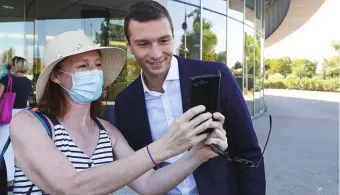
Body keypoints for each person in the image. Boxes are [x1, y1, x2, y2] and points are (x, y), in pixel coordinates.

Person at [9, 30, 228, 195]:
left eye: (97, 65)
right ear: (56, 77)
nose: (94, 72)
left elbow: (149, 184)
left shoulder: (108, 132)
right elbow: (70, 186)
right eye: (83, 66)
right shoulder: (29, 123)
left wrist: (197, 155)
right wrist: (164, 147)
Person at [114, 0, 266, 195]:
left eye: (163, 40)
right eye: (143, 44)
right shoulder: (125, 102)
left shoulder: (216, 75)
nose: (156, 53)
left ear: (173, 37)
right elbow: (137, 167)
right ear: (129, 46)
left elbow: (249, 151)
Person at [0, 56, 32, 191]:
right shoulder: (28, 82)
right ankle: (15, 177)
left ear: (15, 66)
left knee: (3, 146)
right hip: (23, 115)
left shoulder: (6, 79)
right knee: (16, 147)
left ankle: (7, 179)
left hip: (7, 114)